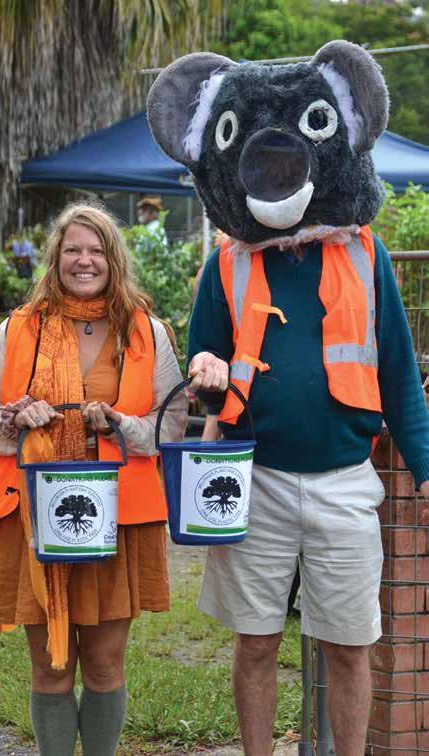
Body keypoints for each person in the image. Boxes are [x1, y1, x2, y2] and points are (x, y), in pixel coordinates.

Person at [147, 41, 429, 755]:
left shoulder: (367, 255)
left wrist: (425, 467)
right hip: (254, 478)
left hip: (345, 480)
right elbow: (204, 360)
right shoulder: (225, 263)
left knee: (351, 646)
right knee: (256, 643)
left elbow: (398, 370)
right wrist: (207, 374)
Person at [0, 202, 187, 756]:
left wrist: (119, 424)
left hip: (119, 520)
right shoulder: (19, 328)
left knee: (104, 662)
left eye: (96, 250)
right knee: (49, 666)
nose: (84, 260)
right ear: (56, 257)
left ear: (113, 260)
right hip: (33, 520)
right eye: (73, 250)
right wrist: (14, 419)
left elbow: (170, 425)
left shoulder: (147, 331)